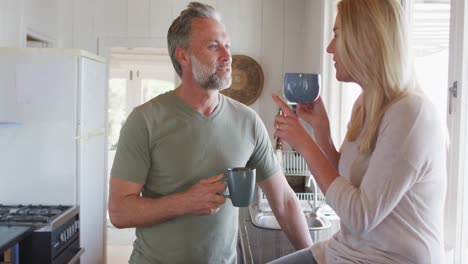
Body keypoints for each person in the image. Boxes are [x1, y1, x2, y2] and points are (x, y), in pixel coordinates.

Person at [108, 2, 313, 263]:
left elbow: (283, 201)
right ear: (183, 56)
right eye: (214, 46)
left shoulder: (247, 121)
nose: (228, 56)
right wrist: (185, 202)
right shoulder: (144, 120)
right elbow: (119, 212)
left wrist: (315, 258)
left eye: (227, 45)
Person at [270, 0, 447, 263]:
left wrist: (304, 143)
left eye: (337, 34)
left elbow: (359, 216)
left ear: (366, 40)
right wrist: (321, 131)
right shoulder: (366, 105)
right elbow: (346, 186)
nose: (330, 48)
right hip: (346, 252)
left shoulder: (411, 113)